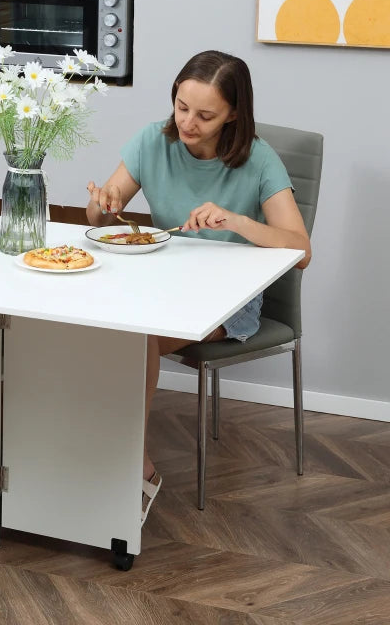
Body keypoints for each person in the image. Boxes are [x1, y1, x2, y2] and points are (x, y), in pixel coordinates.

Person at [85, 49, 311, 526]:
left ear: (233, 114)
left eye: (205, 115)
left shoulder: (259, 159)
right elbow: (100, 216)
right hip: (164, 284)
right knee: (103, 330)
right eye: (181, 107)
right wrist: (103, 205)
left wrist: (237, 221)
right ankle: (85, 458)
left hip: (231, 302)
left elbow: (300, 250)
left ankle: (135, 466)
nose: (187, 122)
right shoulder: (153, 140)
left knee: (135, 337)